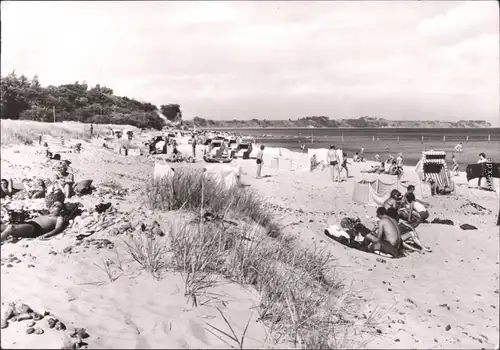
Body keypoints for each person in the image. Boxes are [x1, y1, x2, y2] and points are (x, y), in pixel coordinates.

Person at [1, 202, 66, 242]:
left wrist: (47, 234)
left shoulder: (59, 218)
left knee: (11, 227)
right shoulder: (47, 215)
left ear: (62, 210)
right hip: (28, 224)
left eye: (56, 206)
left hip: (35, 228)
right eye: (53, 204)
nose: (52, 206)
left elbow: (58, 228)